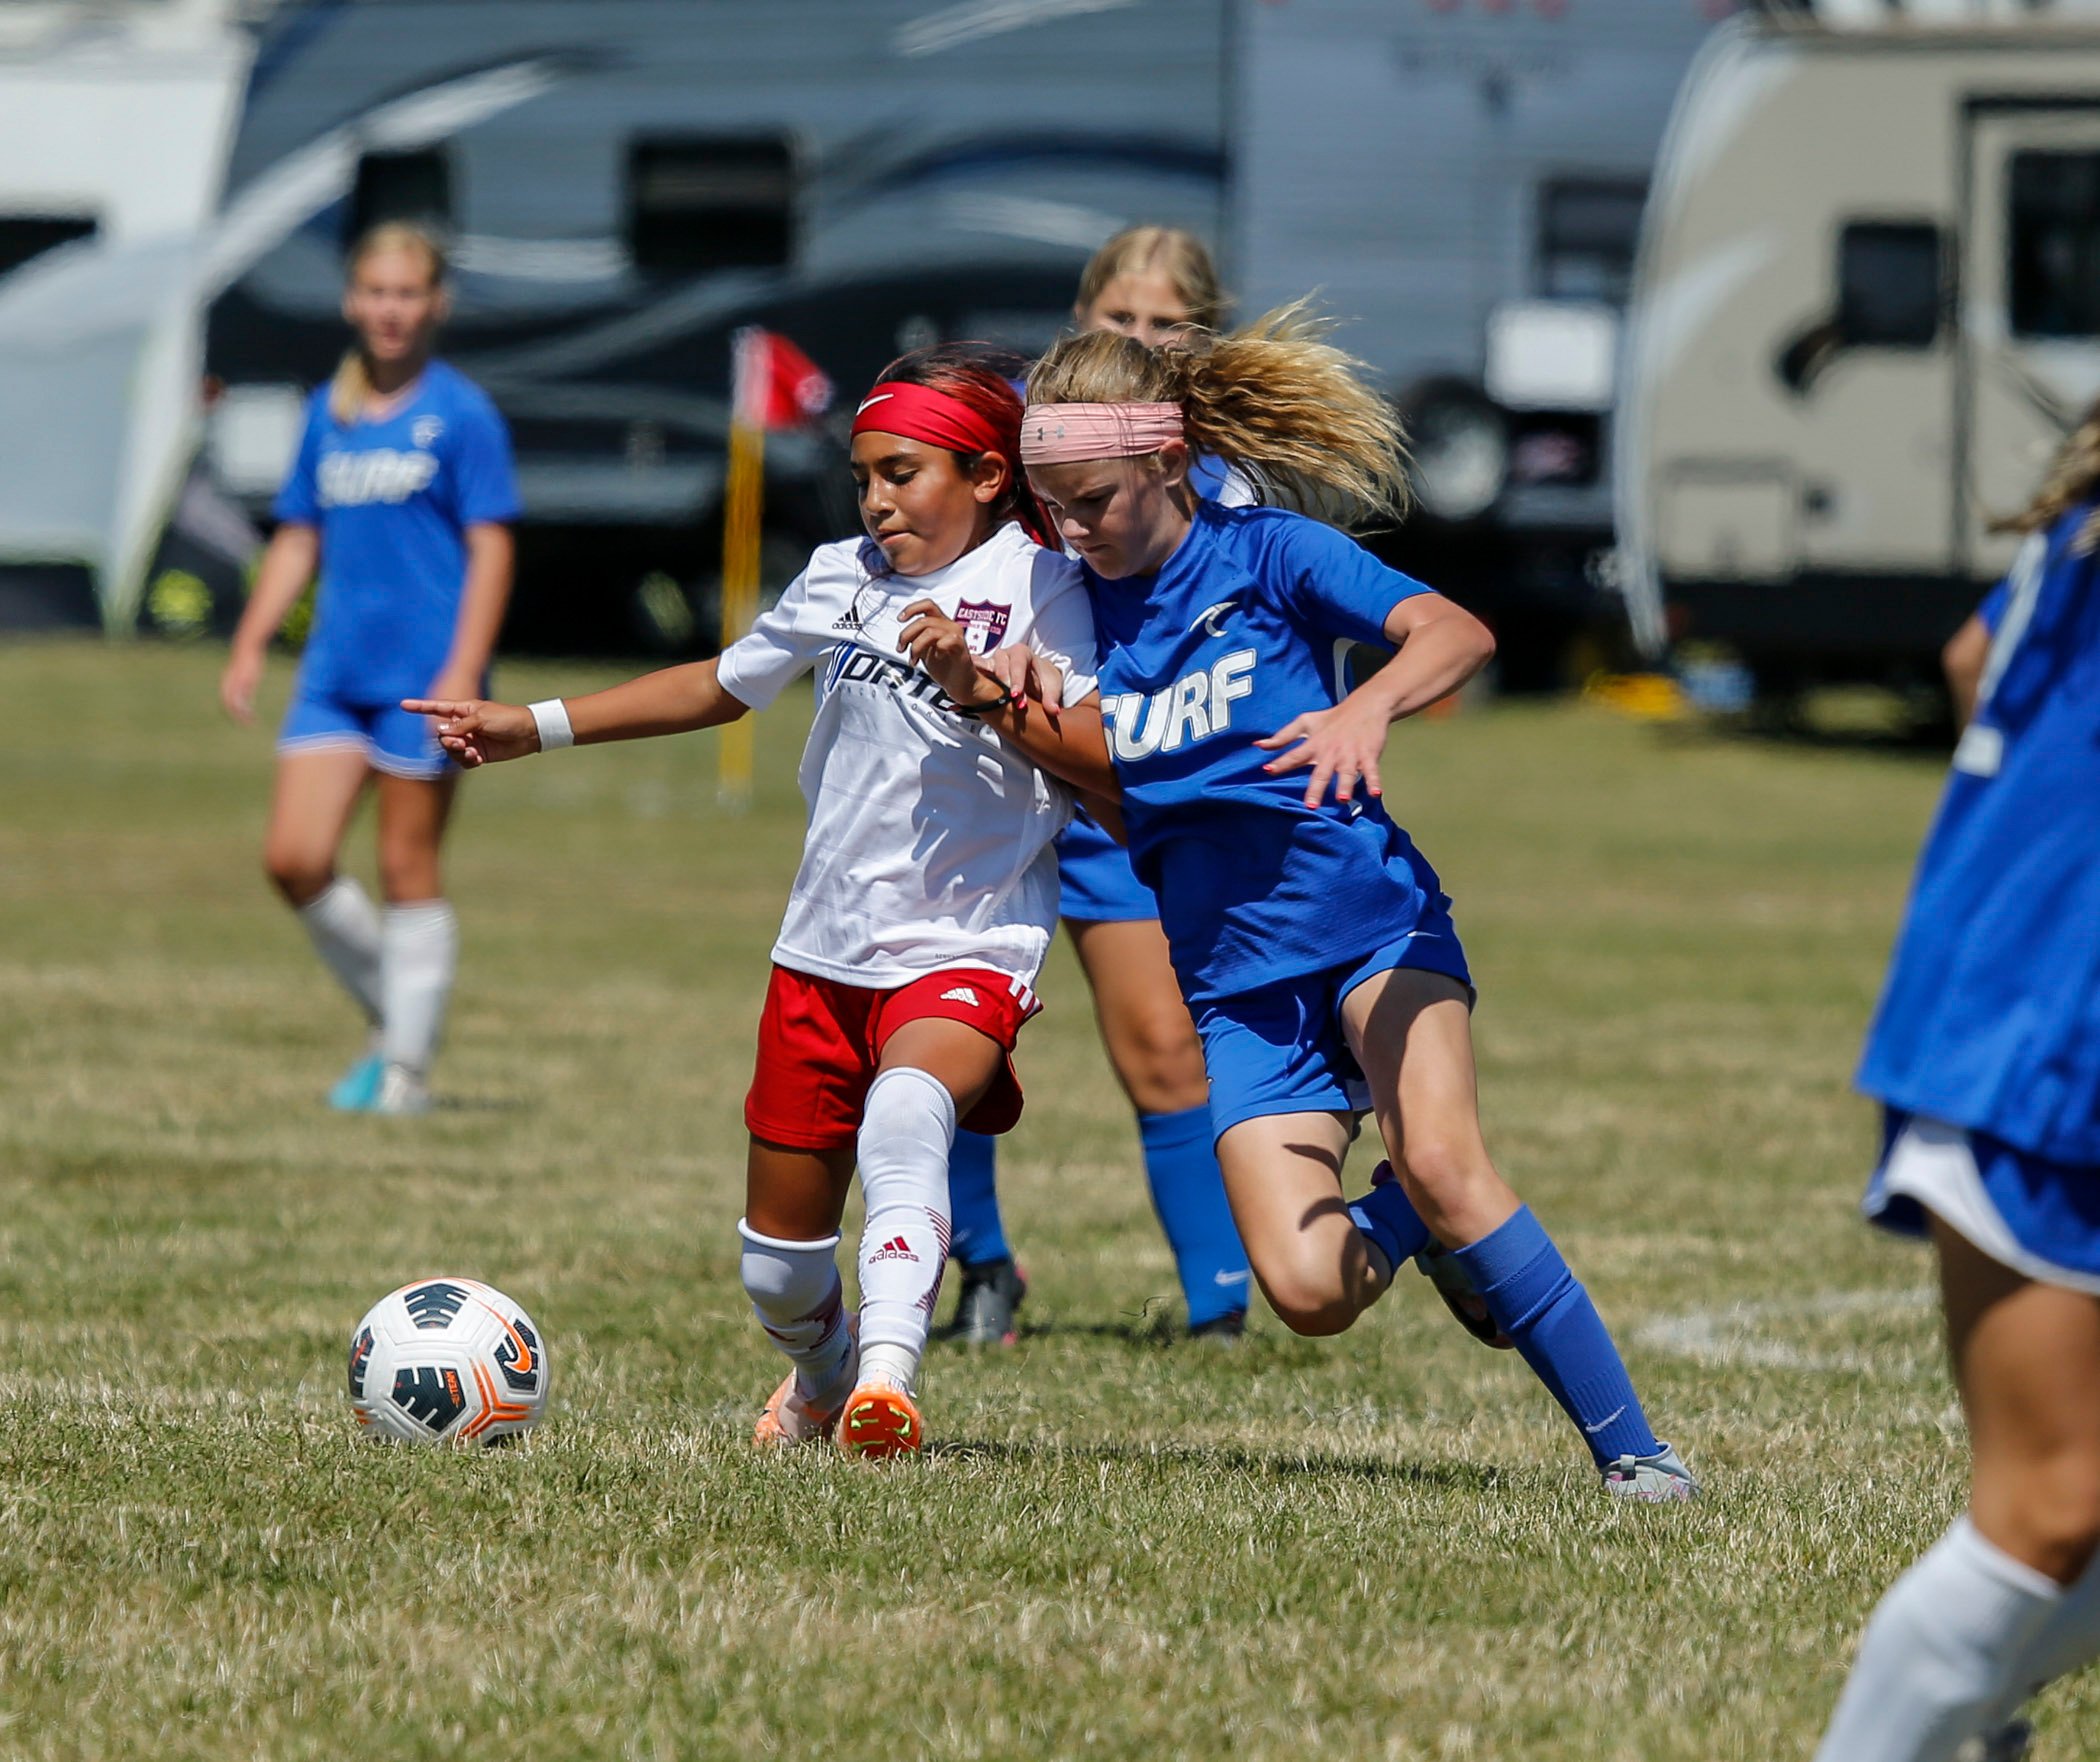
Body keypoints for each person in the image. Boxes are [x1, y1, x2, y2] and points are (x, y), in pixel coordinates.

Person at [985, 310, 1695, 1498]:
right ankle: (1413, 1219)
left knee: (1451, 1159)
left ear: (1167, 461)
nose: (1072, 526)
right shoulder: (1066, 599)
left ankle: (1636, 1456)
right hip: (1238, 988)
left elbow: (1453, 631)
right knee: (1310, 1293)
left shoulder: (1268, 555)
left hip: (1373, 928)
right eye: (1051, 504)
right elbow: (1109, 783)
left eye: (1094, 497)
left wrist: (1369, 709)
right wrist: (998, 684)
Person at [405, 348, 1110, 1460]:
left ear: (985, 475)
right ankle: (823, 1376)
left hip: (966, 939)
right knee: (776, 1269)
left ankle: (888, 1385)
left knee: (909, 1117)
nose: (876, 499)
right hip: (822, 950)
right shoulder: (841, 575)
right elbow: (721, 685)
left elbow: (1100, 755)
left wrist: (983, 690)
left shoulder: (1054, 585)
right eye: (863, 476)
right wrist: (530, 723)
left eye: (903, 473)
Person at [1812, 408, 2100, 1761]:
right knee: (2048, 1503)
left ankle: (1965, 1712)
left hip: (2016, 976)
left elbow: (1976, 656)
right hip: (2046, 1020)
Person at [946, 225, 1252, 1346]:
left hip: (1122, 775)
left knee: (1162, 1047)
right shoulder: (1021, 440)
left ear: (1201, 334)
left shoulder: (1208, 466)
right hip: (1004, 765)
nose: (1141, 339)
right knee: (952, 1035)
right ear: (1085, 318)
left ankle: (1219, 1301)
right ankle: (982, 1264)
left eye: (1166, 322)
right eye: (1121, 318)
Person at [219, 222, 518, 1116]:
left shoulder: (462, 414)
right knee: (293, 858)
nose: (390, 310)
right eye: (376, 292)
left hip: (426, 679)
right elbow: (299, 532)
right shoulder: (330, 410)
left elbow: (493, 549)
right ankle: (402, 1022)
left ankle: (404, 1077)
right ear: (353, 302)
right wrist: (250, 638)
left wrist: (465, 669)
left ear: (435, 305)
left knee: (404, 868)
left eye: (407, 293)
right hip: (335, 673)